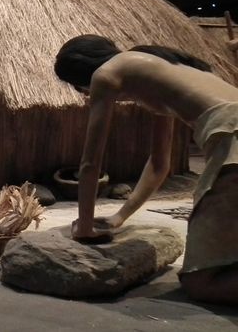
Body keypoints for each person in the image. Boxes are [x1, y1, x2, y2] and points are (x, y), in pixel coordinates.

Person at [54, 34, 238, 305]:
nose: (86, 94)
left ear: (81, 79)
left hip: (231, 136)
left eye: (81, 90)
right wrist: (120, 216)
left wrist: (84, 227)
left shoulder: (107, 74)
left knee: (202, 282)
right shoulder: (154, 69)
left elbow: (90, 163)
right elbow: (159, 163)